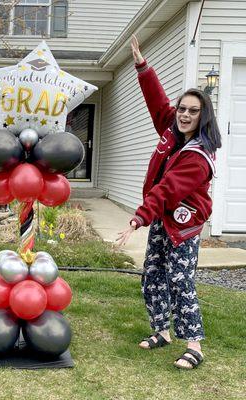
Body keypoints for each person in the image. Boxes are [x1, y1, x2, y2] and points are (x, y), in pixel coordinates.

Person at [116, 35, 221, 370]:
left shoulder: (198, 157)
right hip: (163, 216)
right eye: (182, 109)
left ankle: (194, 344)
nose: (184, 115)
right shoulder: (172, 129)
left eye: (193, 111)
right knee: (152, 274)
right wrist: (142, 66)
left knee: (180, 280)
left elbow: (167, 189)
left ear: (203, 116)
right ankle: (162, 331)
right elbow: (157, 102)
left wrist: (137, 218)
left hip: (184, 224)